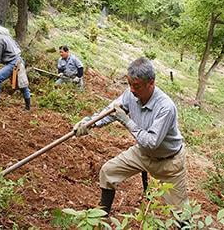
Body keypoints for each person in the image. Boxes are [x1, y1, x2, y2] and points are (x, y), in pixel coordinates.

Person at [74, 57, 188, 215]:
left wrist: (126, 121)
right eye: (129, 84)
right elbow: (112, 111)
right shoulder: (131, 94)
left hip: (169, 163)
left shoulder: (165, 107)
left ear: (151, 83)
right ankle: (102, 215)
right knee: (108, 172)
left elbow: (151, 142)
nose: (132, 90)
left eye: (137, 86)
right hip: (142, 154)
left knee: (181, 212)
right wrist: (89, 123)